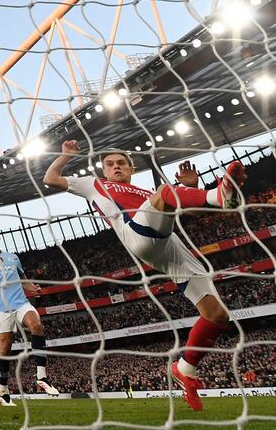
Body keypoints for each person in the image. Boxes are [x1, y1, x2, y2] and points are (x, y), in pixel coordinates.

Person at [43, 141, 246, 411]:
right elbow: (50, 179)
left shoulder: (145, 191)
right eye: (110, 164)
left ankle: (185, 368)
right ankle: (219, 195)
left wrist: (192, 188)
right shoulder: (94, 184)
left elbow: (192, 213)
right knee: (165, 192)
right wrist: (66, 156)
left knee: (217, 315)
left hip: (170, 246)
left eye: (121, 163)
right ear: (103, 170)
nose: (115, 167)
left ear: (131, 168)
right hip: (136, 234)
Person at [0, 225, 59, 406]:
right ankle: (3, 390)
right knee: (5, 348)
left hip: (21, 303)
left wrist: (33, 288)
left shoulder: (13, 257)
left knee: (36, 325)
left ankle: (42, 377)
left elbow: (23, 279)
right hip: (1, 308)